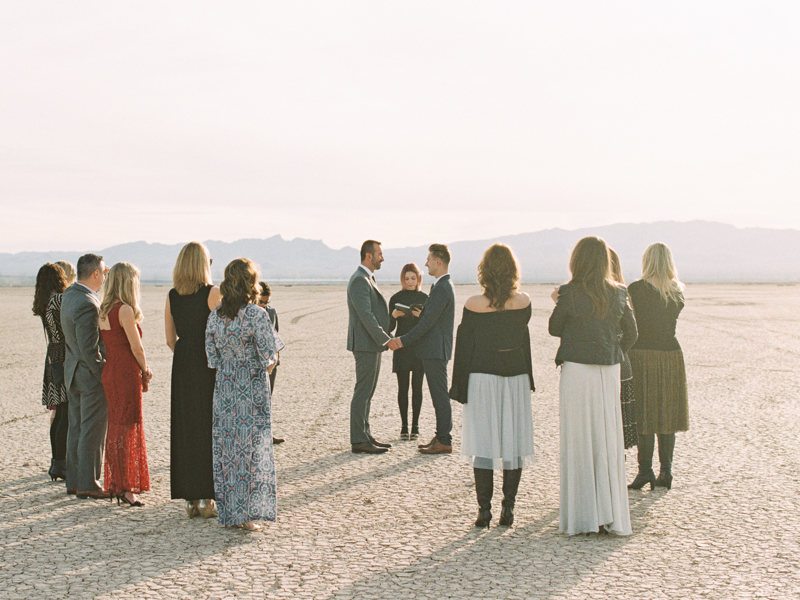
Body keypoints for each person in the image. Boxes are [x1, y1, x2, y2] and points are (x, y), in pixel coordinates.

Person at [549, 236, 637, 536]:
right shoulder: (619, 293)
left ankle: (581, 516)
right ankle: (609, 512)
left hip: (576, 369)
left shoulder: (569, 291)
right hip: (608, 369)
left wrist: (557, 301)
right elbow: (632, 334)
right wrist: (612, 350)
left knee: (579, 439)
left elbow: (554, 328)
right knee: (607, 439)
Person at [449, 244, 535, 528]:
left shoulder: (473, 304)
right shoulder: (524, 303)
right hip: (516, 376)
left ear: (484, 271)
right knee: (514, 442)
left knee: (483, 443)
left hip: (482, 377)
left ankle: (483, 511)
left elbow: (463, 349)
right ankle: (508, 508)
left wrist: (458, 388)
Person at [205, 258, 284, 530]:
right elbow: (269, 356)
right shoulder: (257, 315)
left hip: (224, 388)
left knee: (227, 450)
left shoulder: (216, 315)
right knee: (250, 449)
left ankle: (230, 514)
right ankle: (247, 515)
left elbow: (211, 357)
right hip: (251, 388)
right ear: (251, 284)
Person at [165, 242, 221, 518]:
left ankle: (190, 499)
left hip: (183, 363)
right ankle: (207, 498)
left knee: (185, 427)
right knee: (208, 427)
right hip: (207, 364)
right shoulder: (213, 293)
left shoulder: (172, 295)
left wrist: (186, 355)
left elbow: (169, 338)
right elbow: (224, 331)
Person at [627, 242, 688, 491]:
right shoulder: (677, 291)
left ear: (647, 261)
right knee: (667, 414)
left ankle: (645, 471)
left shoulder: (636, 289)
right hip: (671, 355)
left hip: (641, 353)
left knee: (644, 413)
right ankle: (666, 472)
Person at [389, 243, 456, 455]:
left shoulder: (443, 287)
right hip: (433, 349)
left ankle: (444, 439)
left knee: (439, 395)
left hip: (436, 350)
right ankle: (440, 435)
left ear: (438, 261)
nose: (426, 263)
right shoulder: (440, 286)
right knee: (437, 395)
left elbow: (426, 323)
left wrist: (402, 340)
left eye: (428, 259)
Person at [99, 262, 152, 506]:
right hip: (126, 373)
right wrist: (145, 369)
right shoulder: (124, 310)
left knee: (115, 426)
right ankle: (126, 486)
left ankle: (116, 482)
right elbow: (136, 347)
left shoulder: (103, 310)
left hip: (110, 371)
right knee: (129, 426)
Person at [61, 253, 110, 499]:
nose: (105, 277)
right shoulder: (88, 303)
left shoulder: (69, 295)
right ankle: (88, 483)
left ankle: (74, 481)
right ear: (95, 274)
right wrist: (104, 373)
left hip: (72, 373)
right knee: (92, 429)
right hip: (89, 376)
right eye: (104, 272)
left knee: (77, 428)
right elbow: (89, 348)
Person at [347, 240, 393, 454]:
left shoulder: (366, 278)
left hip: (371, 344)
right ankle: (358, 440)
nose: (382, 258)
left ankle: (365, 434)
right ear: (368, 256)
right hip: (366, 345)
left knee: (368, 391)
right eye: (379, 254)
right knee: (363, 391)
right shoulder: (359, 280)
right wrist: (386, 339)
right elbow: (366, 316)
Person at [32, 263, 70, 481]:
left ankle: (57, 462)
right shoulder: (59, 300)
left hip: (52, 357)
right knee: (65, 412)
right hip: (64, 355)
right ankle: (61, 464)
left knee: (58, 414)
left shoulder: (45, 301)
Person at [388, 264, 428, 440]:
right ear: (402, 280)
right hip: (402, 347)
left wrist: (422, 317)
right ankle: (404, 426)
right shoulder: (396, 298)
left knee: (417, 387)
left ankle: (416, 426)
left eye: (413, 278)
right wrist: (393, 316)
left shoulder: (425, 298)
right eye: (407, 278)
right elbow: (388, 328)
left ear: (419, 279)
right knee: (402, 388)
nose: (410, 282)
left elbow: (429, 327)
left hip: (419, 348)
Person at [609, 248, 638, 450]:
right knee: (618, 422)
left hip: (612, 362)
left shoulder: (616, 293)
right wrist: (621, 352)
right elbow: (632, 334)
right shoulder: (623, 292)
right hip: (622, 362)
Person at [257, 281, 284, 445]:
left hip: (272, 363)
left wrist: (276, 358)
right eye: (261, 302)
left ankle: (267, 433)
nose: (264, 305)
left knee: (267, 399)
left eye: (267, 302)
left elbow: (276, 335)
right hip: (256, 364)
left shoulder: (272, 312)